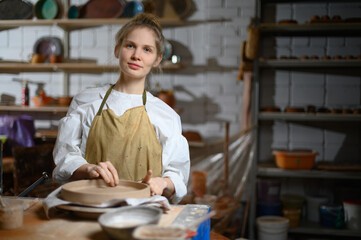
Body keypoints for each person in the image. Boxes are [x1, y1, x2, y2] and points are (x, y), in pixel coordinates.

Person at [52, 13, 190, 203]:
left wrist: (162, 183)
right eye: (130, 46)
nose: (136, 56)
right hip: (91, 206)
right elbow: (65, 157)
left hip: (144, 212)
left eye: (147, 50)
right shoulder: (86, 101)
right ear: (118, 50)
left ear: (157, 60)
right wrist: (88, 169)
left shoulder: (166, 116)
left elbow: (178, 175)